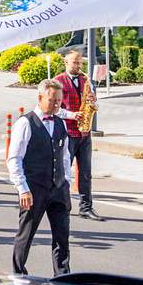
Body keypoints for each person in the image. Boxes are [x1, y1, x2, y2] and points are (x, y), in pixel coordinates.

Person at [8, 79, 75, 276]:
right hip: (34, 189)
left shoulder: (60, 123)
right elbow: (14, 158)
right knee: (26, 234)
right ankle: (19, 273)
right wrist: (22, 188)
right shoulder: (25, 123)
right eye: (53, 100)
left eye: (59, 101)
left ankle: (62, 275)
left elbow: (65, 156)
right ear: (40, 98)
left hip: (58, 189)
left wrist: (67, 182)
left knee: (62, 236)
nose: (57, 105)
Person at [54, 51, 102, 221]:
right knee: (64, 172)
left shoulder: (85, 81)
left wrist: (92, 101)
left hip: (84, 133)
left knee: (86, 173)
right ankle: (62, 206)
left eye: (80, 63)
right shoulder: (57, 81)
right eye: (74, 63)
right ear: (66, 62)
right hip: (67, 133)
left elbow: (95, 104)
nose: (78, 66)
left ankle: (86, 207)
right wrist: (71, 115)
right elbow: (52, 108)